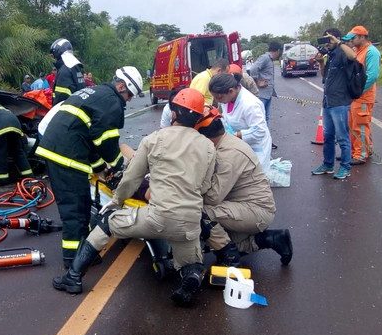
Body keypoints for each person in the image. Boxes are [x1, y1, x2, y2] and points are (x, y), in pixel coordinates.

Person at [52, 88, 216, 307]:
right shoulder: (208, 147)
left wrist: (116, 201)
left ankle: (72, 278)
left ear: (174, 112)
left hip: (157, 217)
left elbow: (131, 178)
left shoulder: (154, 139)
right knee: (190, 260)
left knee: (107, 223)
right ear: (197, 117)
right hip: (189, 222)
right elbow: (204, 186)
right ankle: (191, 276)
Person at [36, 66, 143, 268]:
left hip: (64, 150)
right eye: (129, 94)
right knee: (74, 211)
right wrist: (124, 168)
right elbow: (107, 143)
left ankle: (84, 253)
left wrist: (99, 168)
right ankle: (73, 262)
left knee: (83, 206)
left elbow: (92, 139)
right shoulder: (112, 102)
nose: (128, 100)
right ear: (121, 86)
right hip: (66, 156)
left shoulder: (97, 93)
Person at [196, 116, 292, 267]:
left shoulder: (227, 154)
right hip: (243, 205)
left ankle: (229, 256)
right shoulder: (225, 142)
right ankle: (273, 239)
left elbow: (212, 197)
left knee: (199, 213)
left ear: (202, 137)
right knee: (213, 239)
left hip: (255, 210)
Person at [311, 28, 357, 180]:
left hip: (340, 102)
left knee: (342, 136)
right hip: (328, 101)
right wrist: (321, 63)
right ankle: (328, 164)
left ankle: (345, 167)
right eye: (325, 40)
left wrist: (338, 42)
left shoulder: (343, 52)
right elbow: (324, 77)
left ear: (336, 38)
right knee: (328, 135)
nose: (327, 43)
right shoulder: (330, 55)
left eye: (328, 39)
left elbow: (353, 56)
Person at [209, 72, 272, 174]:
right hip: (240, 146)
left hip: (256, 147)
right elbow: (226, 117)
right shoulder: (227, 99)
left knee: (255, 178)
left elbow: (260, 131)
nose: (217, 100)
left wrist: (234, 135)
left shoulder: (250, 104)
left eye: (219, 97)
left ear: (231, 91)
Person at [341, 25, 380, 165]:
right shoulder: (357, 50)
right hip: (355, 96)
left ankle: (360, 154)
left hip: (363, 96)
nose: (351, 41)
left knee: (361, 125)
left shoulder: (371, 52)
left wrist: (357, 91)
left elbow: (372, 75)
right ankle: (355, 152)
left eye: (353, 38)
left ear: (362, 37)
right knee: (352, 125)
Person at [249, 41, 282, 148]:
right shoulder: (265, 58)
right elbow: (253, 68)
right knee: (260, 119)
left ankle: (266, 140)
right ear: (277, 51)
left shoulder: (269, 59)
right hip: (262, 95)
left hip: (267, 94)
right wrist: (257, 81)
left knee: (266, 118)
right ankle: (261, 142)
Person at [49, 38, 85, 105]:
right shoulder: (75, 67)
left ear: (58, 52)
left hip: (66, 112)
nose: (54, 58)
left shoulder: (64, 71)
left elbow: (60, 98)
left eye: (53, 55)